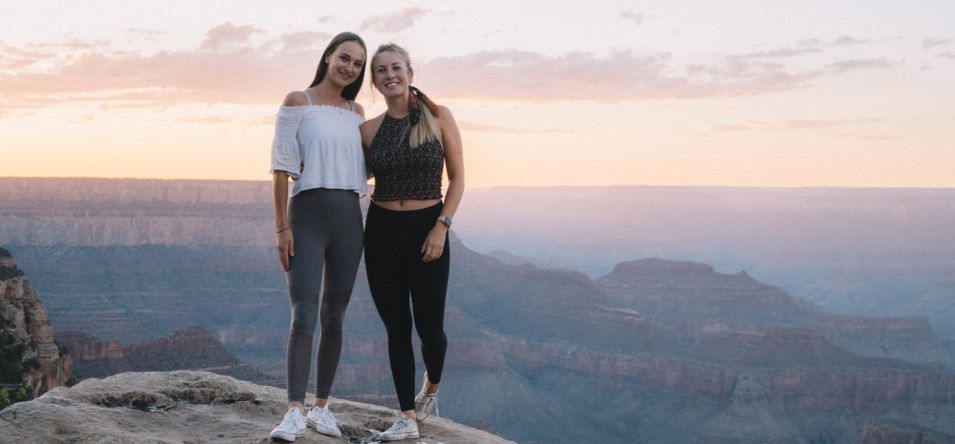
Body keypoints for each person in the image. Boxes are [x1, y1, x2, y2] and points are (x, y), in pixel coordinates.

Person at [359, 43, 465, 441]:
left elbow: (458, 179)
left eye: (396, 67)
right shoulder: (368, 130)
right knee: (397, 328)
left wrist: (441, 226)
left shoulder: (439, 118)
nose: (390, 75)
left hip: (427, 229)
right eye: (382, 70)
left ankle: (431, 386)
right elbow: (349, 177)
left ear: (410, 72)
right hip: (382, 231)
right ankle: (406, 416)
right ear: (374, 81)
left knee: (430, 330)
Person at [268, 31, 368, 442]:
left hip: (349, 220)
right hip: (306, 217)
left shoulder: (356, 111)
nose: (350, 68)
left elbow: (361, 165)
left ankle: (321, 408)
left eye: (358, 64)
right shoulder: (298, 102)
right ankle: (293, 410)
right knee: (304, 314)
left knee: (335, 317)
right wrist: (281, 228)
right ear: (328, 56)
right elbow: (279, 168)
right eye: (344, 58)